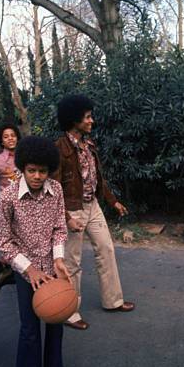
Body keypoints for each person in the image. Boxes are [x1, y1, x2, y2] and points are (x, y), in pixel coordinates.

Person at [0, 135, 77, 367]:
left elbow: (59, 229)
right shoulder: (7, 197)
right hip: (26, 271)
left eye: (43, 170)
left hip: (51, 267)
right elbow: (3, 241)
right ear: (22, 167)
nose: (38, 176)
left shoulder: (56, 191)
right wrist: (29, 270)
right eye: (32, 170)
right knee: (30, 328)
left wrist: (59, 259)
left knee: (57, 318)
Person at [52, 94, 135, 331]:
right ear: (73, 119)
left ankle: (113, 301)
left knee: (106, 249)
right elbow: (54, 187)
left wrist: (113, 202)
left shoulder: (89, 145)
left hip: (93, 206)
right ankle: (69, 311)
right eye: (87, 117)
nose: (92, 121)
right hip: (72, 208)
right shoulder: (59, 148)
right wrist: (66, 217)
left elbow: (98, 179)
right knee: (71, 261)